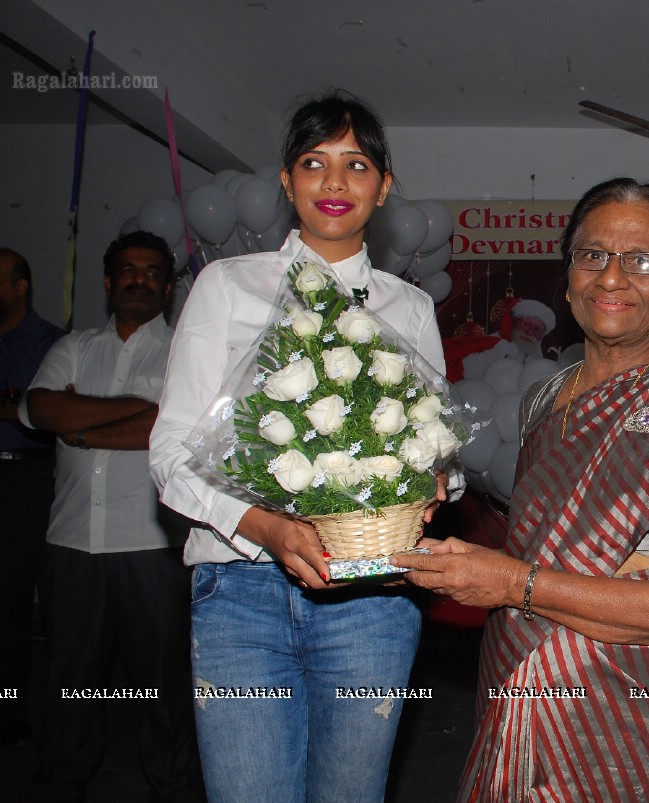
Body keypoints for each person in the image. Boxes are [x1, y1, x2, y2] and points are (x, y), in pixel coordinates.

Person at [392, 178, 649, 802]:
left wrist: (514, 584)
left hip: (630, 720)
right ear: (567, 281)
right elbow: (549, 542)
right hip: (516, 681)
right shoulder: (542, 399)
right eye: (593, 256)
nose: (612, 277)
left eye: (642, 261)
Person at [149, 92, 450, 802]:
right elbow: (170, 452)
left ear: (383, 184)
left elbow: (436, 447)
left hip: (372, 592)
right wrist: (268, 528)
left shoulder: (410, 308)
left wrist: (436, 478)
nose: (335, 182)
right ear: (286, 182)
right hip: (241, 587)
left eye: (356, 164)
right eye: (314, 163)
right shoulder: (226, 286)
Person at [20, 231, 202, 799]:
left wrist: (81, 425)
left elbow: (168, 429)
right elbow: (38, 406)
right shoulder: (73, 346)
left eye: (151, 272)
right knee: (70, 678)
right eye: (127, 270)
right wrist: (138, 412)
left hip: (149, 543)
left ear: (167, 287)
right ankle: (62, 778)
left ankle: (171, 784)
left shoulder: (182, 351)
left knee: (161, 682)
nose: (138, 279)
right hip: (71, 540)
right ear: (108, 281)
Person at [0, 248, 64, 749]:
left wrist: (16, 408)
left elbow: (47, 414)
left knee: (13, 598)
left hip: (25, 478)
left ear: (21, 286)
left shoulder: (48, 343)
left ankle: (12, 709)